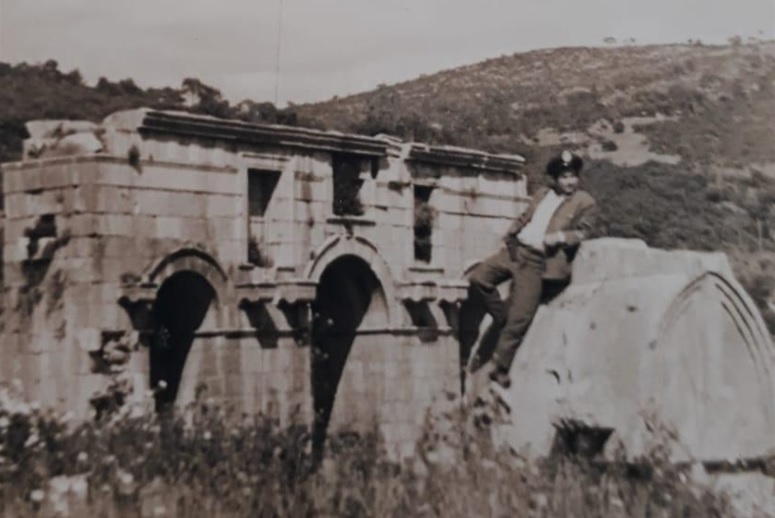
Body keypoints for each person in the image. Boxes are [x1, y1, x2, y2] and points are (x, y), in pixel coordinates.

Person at [467, 150, 599, 389]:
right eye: (564, 176)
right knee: (479, 278)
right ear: (555, 178)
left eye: (573, 176)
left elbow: (584, 232)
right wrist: (510, 234)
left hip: (539, 260)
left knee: (521, 318)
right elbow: (525, 217)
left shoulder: (584, 202)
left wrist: (559, 237)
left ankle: (500, 367)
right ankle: (501, 315)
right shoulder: (542, 195)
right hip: (516, 251)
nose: (569, 181)